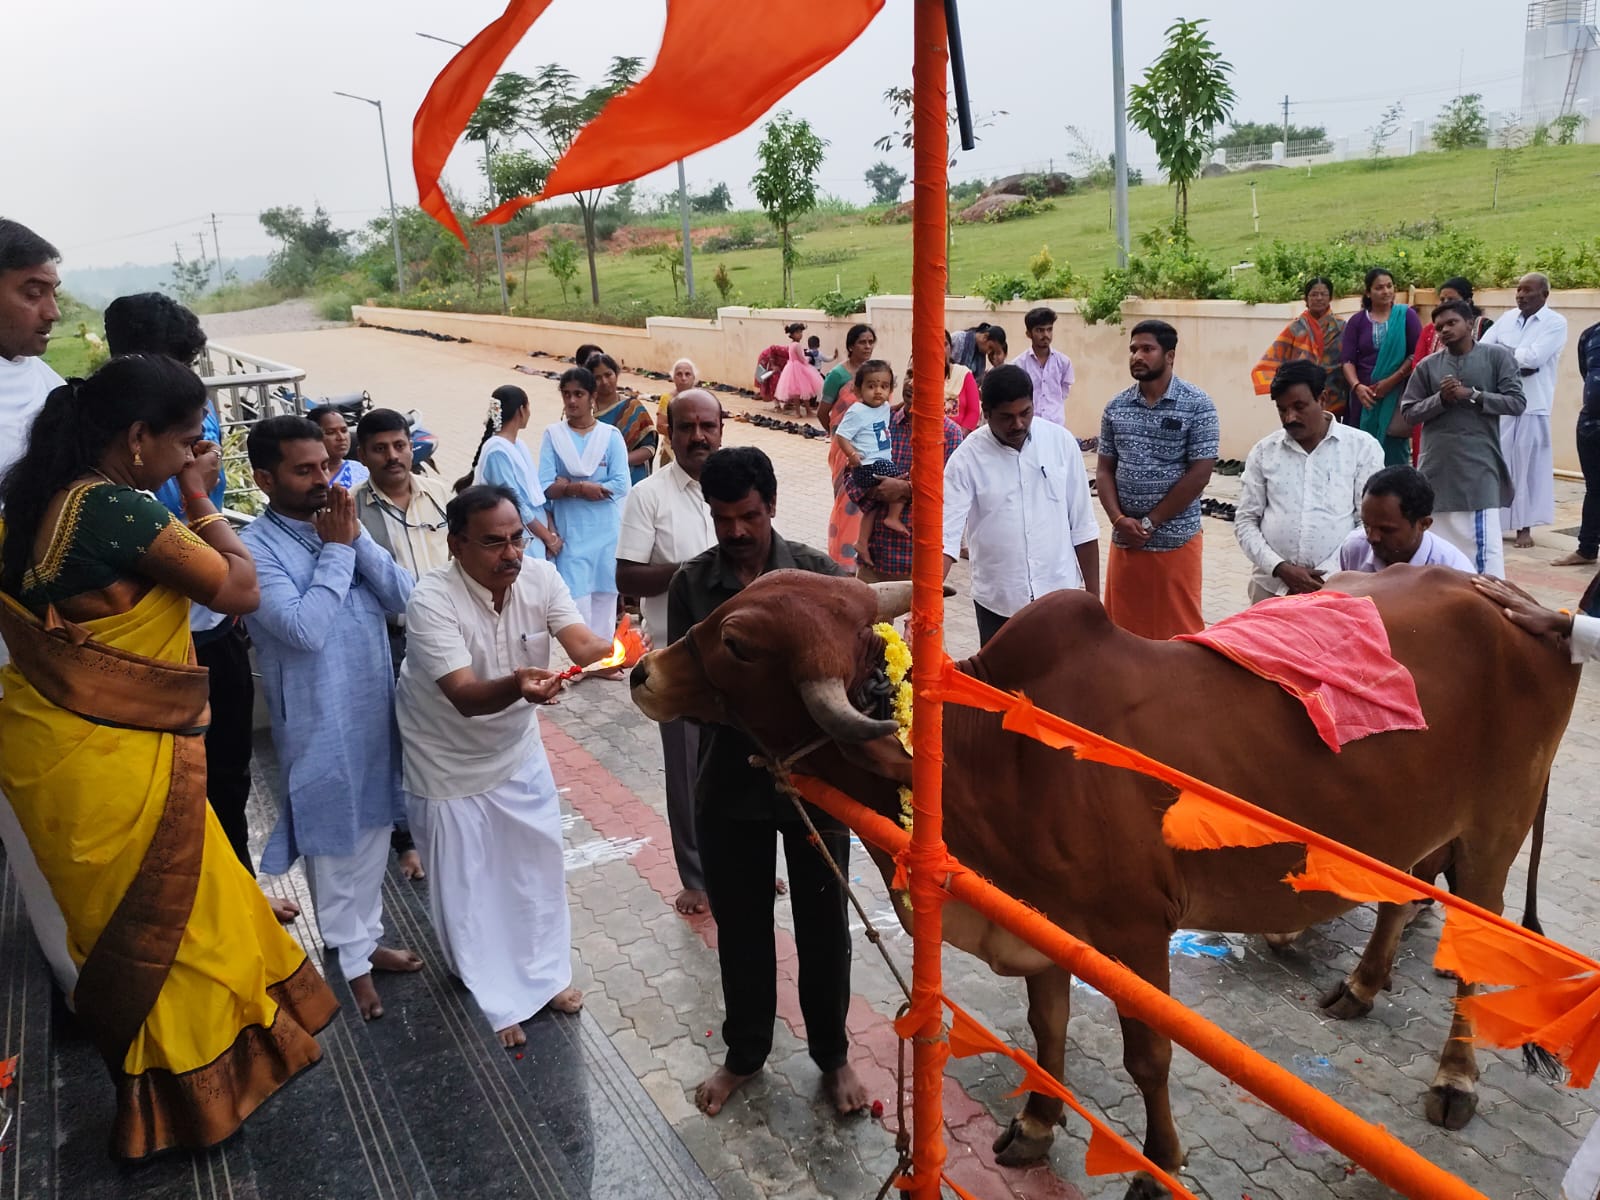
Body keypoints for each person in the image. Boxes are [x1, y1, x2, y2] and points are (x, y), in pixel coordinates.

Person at [0, 356, 337, 1160]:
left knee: (137, 929)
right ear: (139, 437)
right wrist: (198, 502)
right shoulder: (117, 510)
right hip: (117, 755)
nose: (195, 455)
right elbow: (239, 590)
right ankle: (193, 1107)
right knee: (175, 928)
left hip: (56, 744)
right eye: (187, 443)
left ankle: (177, 1091)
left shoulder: (35, 493)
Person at [666, 446, 868, 1119]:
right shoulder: (692, 588)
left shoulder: (816, 575)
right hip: (728, 786)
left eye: (748, 515)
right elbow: (683, 691)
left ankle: (833, 1057)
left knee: (824, 929)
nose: (738, 532)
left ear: (771, 506)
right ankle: (744, 1055)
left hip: (816, 788)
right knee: (744, 930)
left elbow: (857, 680)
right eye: (724, 519)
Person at [397, 486, 618, 1046]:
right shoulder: (431, 600)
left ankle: (544, 979)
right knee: (468, 884)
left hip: (515, 750)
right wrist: (520, 685)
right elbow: (466, 696)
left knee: (534, 867)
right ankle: (493, 997)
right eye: (494, 543)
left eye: (518, 537)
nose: (512, 553)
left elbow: (583, 642)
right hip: (444, 758)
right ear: (456, 546)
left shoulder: (540, 578)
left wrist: (627, 654)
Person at [241, 416, 422, 1021]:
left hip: (374, 708)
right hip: (319, 720)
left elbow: (405, 600)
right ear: (264, 478)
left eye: (327, 465)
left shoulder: (339, 524)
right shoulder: (253, 548)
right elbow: (302, 628)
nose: (324, 479)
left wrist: (354, 542)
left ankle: (365, 944)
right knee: (332, 840)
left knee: (372, 831)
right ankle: (351, 963)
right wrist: (340, 550)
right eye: (304, 470)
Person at [103, 292, 271, 892]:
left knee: (229, 770)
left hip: (213, 626)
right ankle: (193, 900)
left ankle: (242, 892)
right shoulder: (104, 458)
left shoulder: (200, 416)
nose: (187, 385)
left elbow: (214, 513)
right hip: (152, 643)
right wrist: (189, 488)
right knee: (175, 782)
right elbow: (159, 529)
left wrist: (197, 484)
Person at [0, 218, 76, 998]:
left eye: (51, 291)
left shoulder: (45, 387)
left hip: (51, 644)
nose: (51, 312)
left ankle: (83, 977)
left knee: (51, 827)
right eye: (32, 292)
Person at [616, 389, 721, 915]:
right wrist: (691, 572)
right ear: (670, 433)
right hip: (677, 662)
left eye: (708, 425)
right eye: (687, 427)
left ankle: (743, 865)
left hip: (737, 661)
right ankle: (697, 877)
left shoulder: (735, 489)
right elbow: (627, 575)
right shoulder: (648, 497)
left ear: (722, 430)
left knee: (744, 765)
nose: (699, 436)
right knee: (686, 773)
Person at [944, 363, 1099, 645]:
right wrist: (924, 608)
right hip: (999, 603)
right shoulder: (965, 459)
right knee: (1002, 688)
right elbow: (945, 539)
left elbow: (1083, 527)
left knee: (1061, 685)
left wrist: (1094, 601)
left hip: (1059, 596)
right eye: (1006, 417)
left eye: (1025, 413)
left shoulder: (1061, 443)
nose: (1017, 424)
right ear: (986, 413)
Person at [1097, 320, 1219, 640]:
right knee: (1122, 633)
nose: (1137, 356)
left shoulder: (1198, 405)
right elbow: (1105, 469)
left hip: (1175, 541)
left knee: (1179, 634)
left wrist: (1151, 523)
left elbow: (1200, 473)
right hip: (1127, 542)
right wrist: (1118, 519)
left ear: (1170, 356)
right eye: (1134, 349)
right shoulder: (1115, 407)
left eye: (1147, 349)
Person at [1234, 360, 1384, 602]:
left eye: (1299, 406)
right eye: (1282, 409)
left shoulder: (1362, 448)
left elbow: (1367, 523)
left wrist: (1325, 576)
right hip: (1271, 586)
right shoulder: (1264, 452)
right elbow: (1245, 521)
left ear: (1322, 398)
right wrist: (1281, 567)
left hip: (1338, 588)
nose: (1290, 417)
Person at [1399, 299, 1525, 578]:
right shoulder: (1428, 366)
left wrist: (1474, 395)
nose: (1444, 330)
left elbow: (1516, 402)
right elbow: (1408, 412)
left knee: (1483, 554)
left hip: (1478, 468)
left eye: (1452, 323)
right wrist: (1440, 399)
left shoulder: (1496, 357)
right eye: (1439, 326)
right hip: (1437, 468)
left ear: (1470, 324)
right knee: (1438, 552)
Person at [845, 362, 964, 583]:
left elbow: (952, 495)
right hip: (874, 556)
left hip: (918, 562)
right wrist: (876, 490)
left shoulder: (950, 434)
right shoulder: (880, 420)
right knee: (872, 618)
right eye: (910, 373)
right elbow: (848, 473)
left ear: (941, 385)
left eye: (923, 376)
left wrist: (906, 489)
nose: (912, 383)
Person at [539, 365, 631, 638]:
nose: (571, 401)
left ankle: (600, 661)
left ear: (592, 397)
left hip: (605, 533)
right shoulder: (553, 435)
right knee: (575, 603)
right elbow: (544, 486)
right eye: (566, 394)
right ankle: (583, 661)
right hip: (572, 535)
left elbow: (620, 483)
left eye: (578, 394)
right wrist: (580, 488)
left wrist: (567, 484)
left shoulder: (609, 436)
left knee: (604, 599)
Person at [1482, 272, 1568, 549]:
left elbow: (1534, 359)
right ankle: (1496, 523)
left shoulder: (1555, 323)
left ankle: (1524, 527)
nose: (1520, 295)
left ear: (1544, 295)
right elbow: (1484, 349)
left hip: (1533, 404)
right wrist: (1514, 356)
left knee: (1527, 467)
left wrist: (1505, 354)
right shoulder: (1507, 318)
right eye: (1518, 290)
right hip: (1501, 401)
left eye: (1528, 290)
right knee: (1499, 463)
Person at [460, 385, 561, 565]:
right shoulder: (497, 451)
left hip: (535, 533)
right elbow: (515, 503)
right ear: (521, 410)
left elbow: (534, 494)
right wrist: (547, 537)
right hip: (519, 537)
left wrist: (550, 531)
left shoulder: (518, 445)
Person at [833, 359, 909, 566]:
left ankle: (862, 542)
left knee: (873, 507)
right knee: (901, 480)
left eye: (884, 386)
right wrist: (851, 454)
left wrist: (904, 404)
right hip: (867, 466)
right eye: (871, 386)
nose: (878, 391)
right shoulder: (857, 411)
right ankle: (893, 517)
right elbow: (842, 435)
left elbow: (888, 410)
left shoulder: (884, 407)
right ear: (858, 390)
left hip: (877, 463)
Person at [1340, 267, 1421, 462]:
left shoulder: (1406, 316)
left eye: (1389, 286)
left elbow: (1416, 354)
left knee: (1393, 450)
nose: (1386, 291)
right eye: (1379, 288)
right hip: (1364, 397)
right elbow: (1347, 360)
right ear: (1368, 292)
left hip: (1395, 394)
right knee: (1360, 451)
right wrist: (1357, 387)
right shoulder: (1357, 321)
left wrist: (1392, 381)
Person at [818, 323, 878, 570]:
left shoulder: (875, 373)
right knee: (846, 502)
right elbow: (823, 412)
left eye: (870, 341)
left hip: (872, 451)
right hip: (844, 451)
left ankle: (865, 551)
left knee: (871, 500)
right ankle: (842, 559)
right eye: (862, 342)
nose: (867, 346)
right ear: (851, 345)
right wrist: (839, 436)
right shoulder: (838, 376)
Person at [1338, 465, 1474, 572]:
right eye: (1366, 525)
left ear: (1424, 524)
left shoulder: (1454, 570)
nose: (1372, 537)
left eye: (1386, 529)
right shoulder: (1354, 549)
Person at [1250, 276, 1347, 412]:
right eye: (1314, 294)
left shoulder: (1342, 327)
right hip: (1301, 395)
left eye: (1323, 294)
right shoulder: (1295, 328)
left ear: (1330, 298)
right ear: (1306, 299)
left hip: (1335, 393)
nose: (1319, 298)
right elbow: (1273, 357)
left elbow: (1350, 360)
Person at [587, 353, 658, 485]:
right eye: (597, 378)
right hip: (594, 482)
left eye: (608, 375)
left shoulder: (633, 408)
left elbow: (649, 448)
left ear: (617, 374)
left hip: (632, 479)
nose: (604, 381)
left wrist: (617, 461)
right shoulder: (586, 412)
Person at [1564, 317, 1600, 567]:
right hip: (1591, 425)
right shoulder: (1590, 335)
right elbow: (1586, 374)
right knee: (1594, 489)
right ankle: (1586, 549)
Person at [1012, 305, 1074, 426]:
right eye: (1040, 330)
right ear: (1028, 334)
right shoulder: (1018, 365)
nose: (1046, 335)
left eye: (1049, 329)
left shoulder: (1063, 362)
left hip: (1056, 424)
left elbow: (1064, 390)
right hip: (1030, 425)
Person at [308, 404, 370, 491]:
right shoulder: (306, 477)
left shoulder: (362, 472)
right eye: (330, 432)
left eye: (344, 430)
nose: (341, 437)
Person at [655, 357, 700, 467]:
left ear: (694, 377)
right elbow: (660, 426)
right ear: (673, 378)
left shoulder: (701, 399)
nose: (683, 378)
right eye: (679, 374)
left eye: (687, 374)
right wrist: (683, 433)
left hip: (696, 448)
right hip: (671, 449)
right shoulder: (667, 399)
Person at [774, 321, 826, 413]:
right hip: (799, 368)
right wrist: (809, 359)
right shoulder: (797, 345)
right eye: (797, 333)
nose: (800, 334)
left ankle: (806, 411)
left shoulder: (791, 344)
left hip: (792, 367)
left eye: (801, 332)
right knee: (800, 392)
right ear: (792, 334)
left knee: (800, 392)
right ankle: (802, 412)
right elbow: (801, 359)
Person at [941, 330, 981, 433]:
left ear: (951, 348)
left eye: (945, 344)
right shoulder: (921, 377)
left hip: (958, 441)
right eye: (936, 344)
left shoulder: (963, 374)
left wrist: (958, 438)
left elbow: (973, 412)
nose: (941, 349)